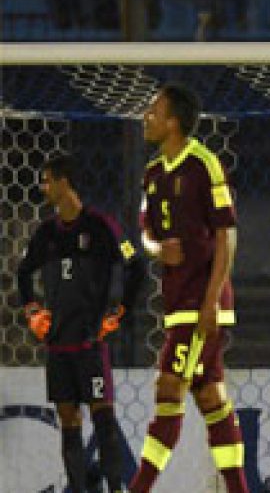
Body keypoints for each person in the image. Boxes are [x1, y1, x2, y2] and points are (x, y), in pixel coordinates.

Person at [130, 83, 248, 493]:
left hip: (201, 303)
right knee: (211, 398)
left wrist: (212, 300)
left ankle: (138, 489)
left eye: (153, 111)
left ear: (174, 121)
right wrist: (156, 248)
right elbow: (144, 231)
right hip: (176, 301)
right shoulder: (152, 172)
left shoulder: (203, 164)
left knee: (168, 388)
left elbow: (226, 235)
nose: (147, 117)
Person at [17, 156, 143, 493]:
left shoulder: (104, 226)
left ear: (63, 182)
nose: (43, 188)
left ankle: (116, 488)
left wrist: (120, 312)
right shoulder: (45, 234)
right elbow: (23, 273)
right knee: (69, 423)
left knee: (104, 420)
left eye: (46, 181)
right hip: (58, 347)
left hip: (91, 346)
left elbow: (137, 265)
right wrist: (32, 310)